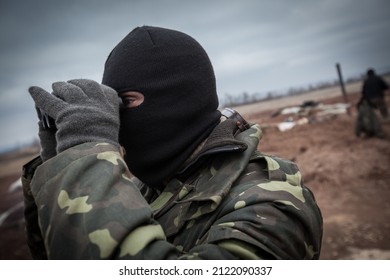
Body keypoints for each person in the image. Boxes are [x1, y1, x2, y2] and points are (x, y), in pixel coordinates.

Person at [22, 26, 323, 260]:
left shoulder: (274, 203)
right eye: (110, 106)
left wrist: (84, 158)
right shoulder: (149, 188)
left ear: (178, 100)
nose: (117, 120)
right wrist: (59, 169)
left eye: (126, 102)